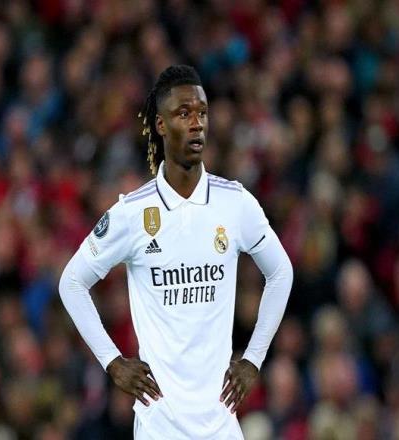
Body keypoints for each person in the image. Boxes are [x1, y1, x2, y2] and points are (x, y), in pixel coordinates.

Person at [59, 65, 293, 439]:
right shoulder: (133, 213)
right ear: (161, 125)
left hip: (220, 425)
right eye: (184, 113)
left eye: (202, 113)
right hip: (160, 426)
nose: (197, 123)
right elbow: (72, 283)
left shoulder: (234, 203)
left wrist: (253, 359)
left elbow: (281, 272)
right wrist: (113, 362)